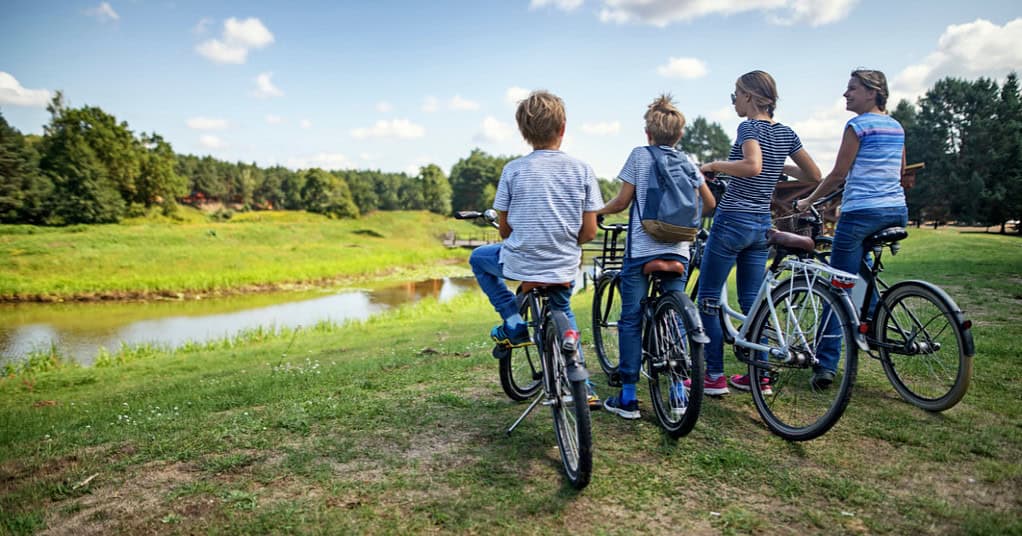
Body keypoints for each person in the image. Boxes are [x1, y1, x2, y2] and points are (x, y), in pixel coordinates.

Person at [468, 90, 604, 403]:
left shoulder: (513, 170)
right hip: (563, 264)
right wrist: (567, 241)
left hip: (520, 262)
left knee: (478, 258)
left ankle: (513, 320)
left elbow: (504, 229)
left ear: (523, 133)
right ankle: (585, 389)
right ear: (563, 128)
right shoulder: (582, 169)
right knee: (563, 310)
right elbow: (590, 231)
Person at [695, 70, 822, 396]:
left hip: (733, 219)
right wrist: (778, 164)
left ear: (750, 96)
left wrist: (714, 166)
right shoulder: (786, 133)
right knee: (753, 300)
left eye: (735, 94)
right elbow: (813, 173)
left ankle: (714, 376)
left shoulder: (748, 126)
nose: (734, 100)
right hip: (761, 225)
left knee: (708, 298)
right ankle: (760, 375)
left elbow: (751, 166)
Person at [597, 94, 716, 419]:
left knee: (631, 319)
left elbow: (622, 202)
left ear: (648, 132)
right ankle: (678, 392)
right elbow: (709, 205)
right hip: (679, 249)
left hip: (643, 250)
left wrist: (596, 212)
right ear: (679, 135)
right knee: (676, 315)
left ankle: (629, 397)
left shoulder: (639, 155)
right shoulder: (689, 161)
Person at [796, 69, 907, 388]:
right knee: (860, 272)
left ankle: (826, 363)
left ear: (872, 92)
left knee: (838, 287)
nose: (846, 94)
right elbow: (898, 171)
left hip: (862, 214)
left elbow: (837, 175)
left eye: (852, 89)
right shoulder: (896, 126)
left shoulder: (857, 125)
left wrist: (808, 202)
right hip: (895, 211)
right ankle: (873, 327)